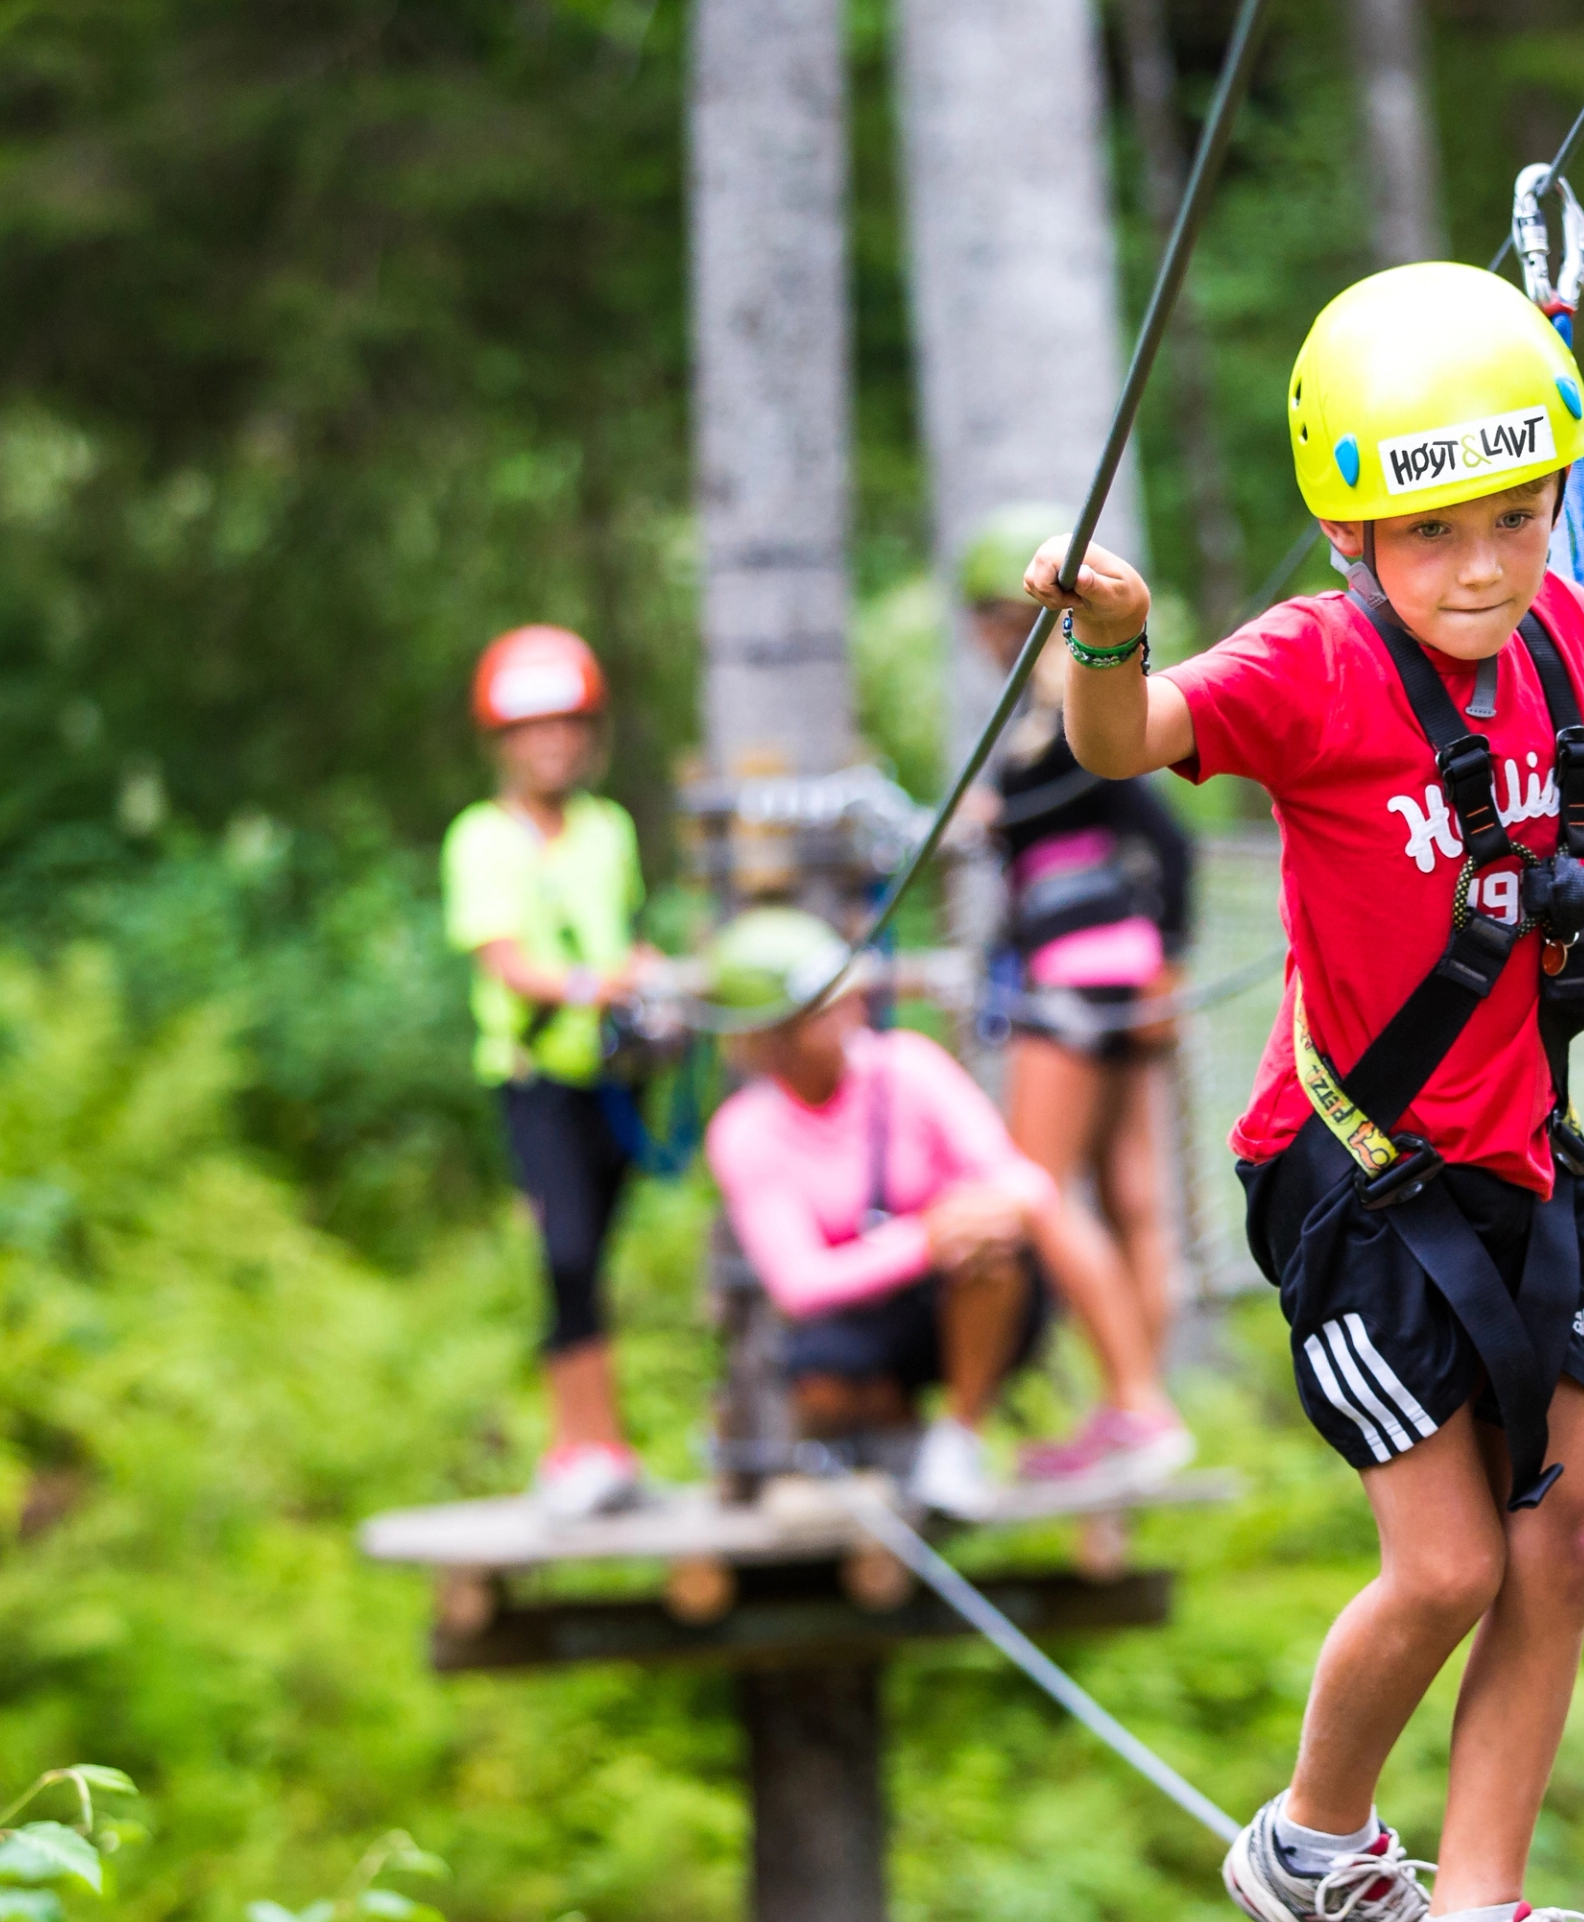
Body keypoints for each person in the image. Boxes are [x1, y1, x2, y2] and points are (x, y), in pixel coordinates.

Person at [1038, 261, 1584, 1922]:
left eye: (1521, 516)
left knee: (1571, 1549)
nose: (1485, 565)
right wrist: (1109, 632)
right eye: (1436, 533)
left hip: (1525, 1161)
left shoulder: (1555, 637)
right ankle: (1312, 1843)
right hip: (1356, 1176)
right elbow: (1128, 742)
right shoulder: (1311, 667)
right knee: (1456, 1566)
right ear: (1350, 530)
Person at [698, 907, 1193, 1518]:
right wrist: (924, 1238)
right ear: (769, 1037)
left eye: (848, 996)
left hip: (961, 1301)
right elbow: (799, 1284)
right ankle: (894, 1445)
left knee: (987, 1239)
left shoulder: (907, 1066)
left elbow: (1027, 1185)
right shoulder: (746, 1131)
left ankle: (973, 1435)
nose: (852, 1012)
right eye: (823, 1008)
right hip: (861, 1326)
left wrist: (966, 1217)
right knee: (825, 1375)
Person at [958, 500, 1200, 1396]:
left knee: (1035, 1189)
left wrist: (1173, 955)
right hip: (1122, 971)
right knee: (1133, 1195)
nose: (986, 640)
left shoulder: (1069, 713)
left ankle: (1134, 1398)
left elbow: (1167, 839)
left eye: (992, 624)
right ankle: (1140, 1407)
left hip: (1075, 972)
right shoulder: (1042, 720)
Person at [441, 624, 664, 1516]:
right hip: (536, 1077)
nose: (554, 744)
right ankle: (579, 1447)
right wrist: (590, 985)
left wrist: (644, 979)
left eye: (568, 726)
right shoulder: (482, 840)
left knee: (594, 1259)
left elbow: (629, 932)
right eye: (535, 729)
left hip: (615, 1077)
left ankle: (600, 1445)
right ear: (504, 742)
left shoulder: (608, 830)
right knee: (565, 1255)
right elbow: (503, 959)